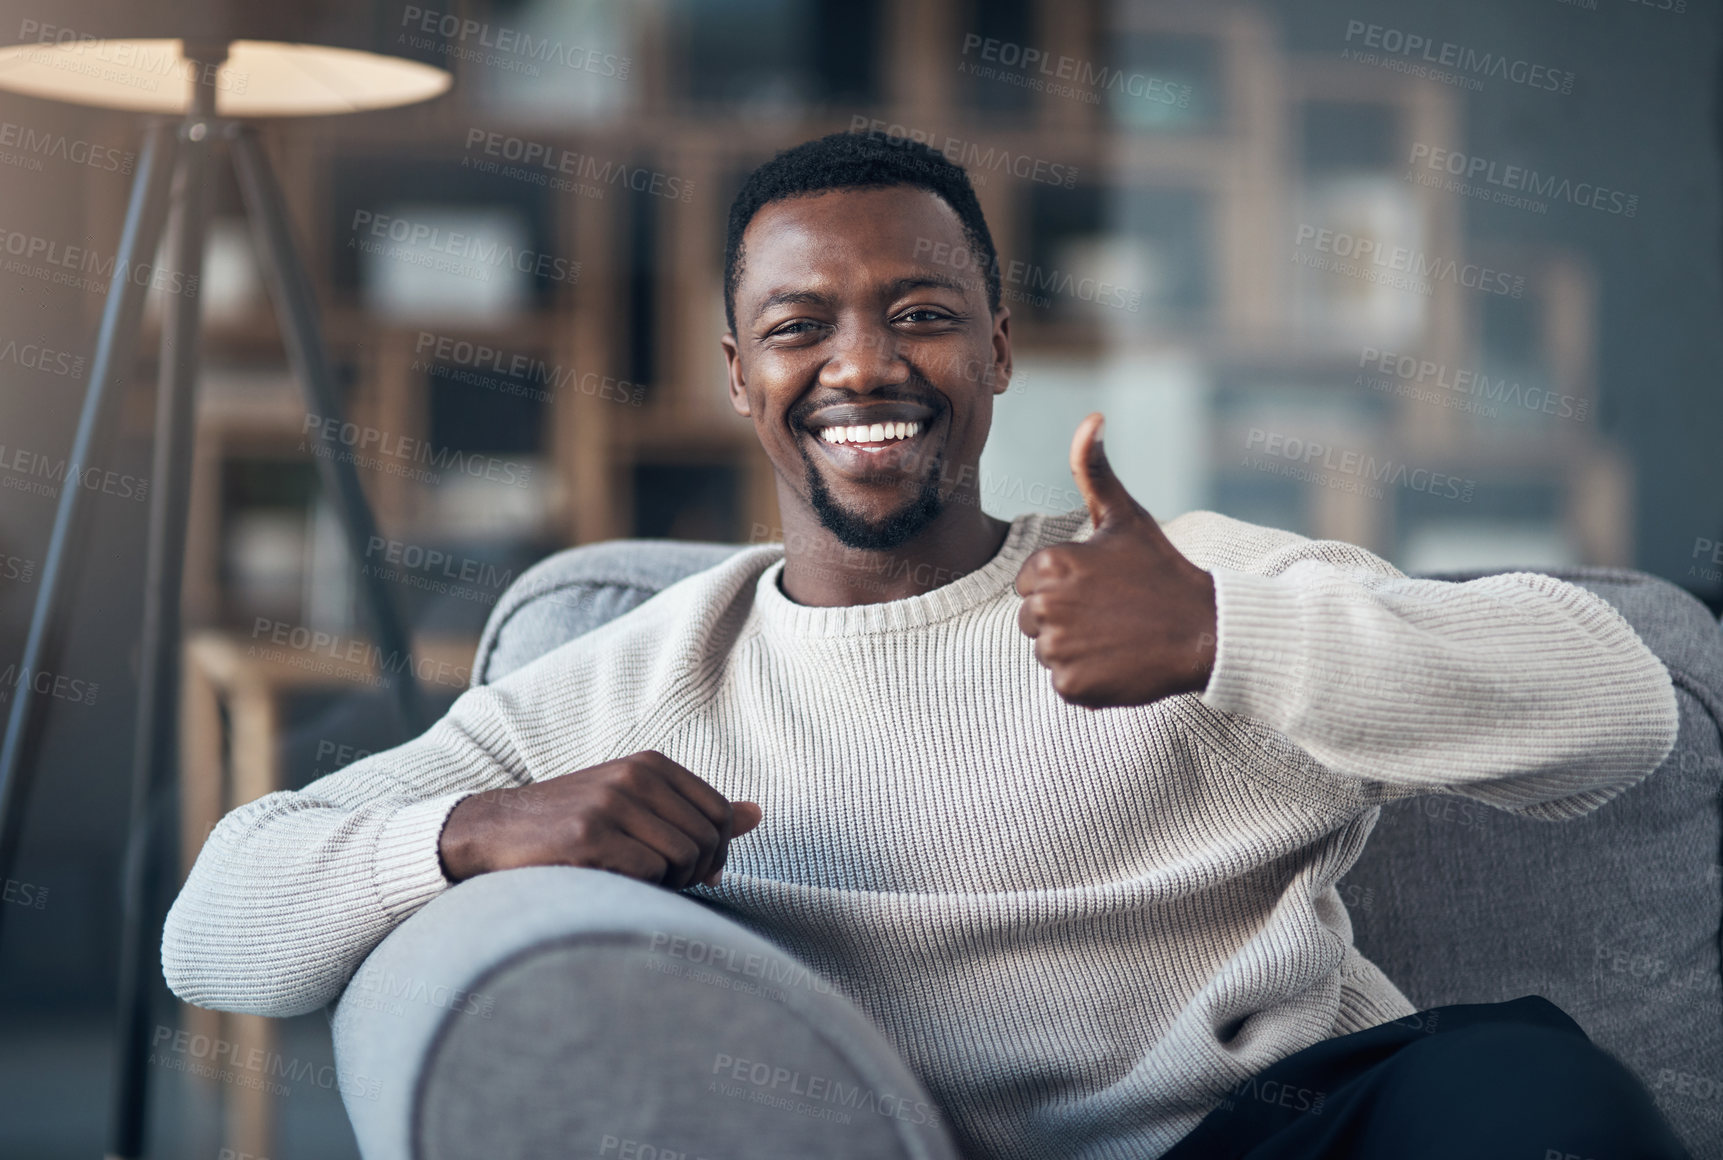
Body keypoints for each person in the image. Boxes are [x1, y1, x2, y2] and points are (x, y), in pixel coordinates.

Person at [164, 132, 1691, 1160]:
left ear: (1002, 350)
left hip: (1276, 1127)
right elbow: (212, 924)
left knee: (1537, 1100)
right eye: (799, 326)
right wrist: (473, 831)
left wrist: (1234, 637)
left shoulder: (1184, 577)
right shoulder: (628, 675)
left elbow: (1623, 709)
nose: (865, 366)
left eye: (921, 313)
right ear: (740, 375)